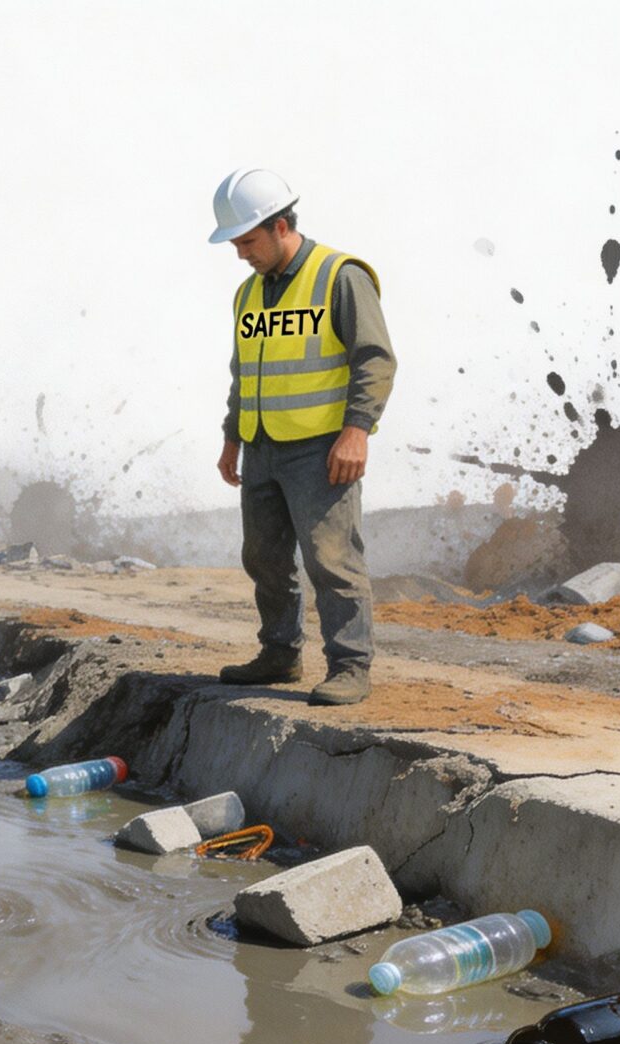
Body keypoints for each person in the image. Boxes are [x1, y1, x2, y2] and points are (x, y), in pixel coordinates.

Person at [207, 168, 396, 706]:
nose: (241, 254)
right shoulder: (248, 294)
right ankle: (280, 653)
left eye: (248, 241)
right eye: (236, 244)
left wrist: (356, 432)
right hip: (262, 447)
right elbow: (245, 373)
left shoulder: (340, 277)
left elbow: (376, 360)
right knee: (263, 557)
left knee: (331, 559)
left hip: (321, 449)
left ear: (281, 226)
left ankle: (350, 665)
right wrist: (232, 438)